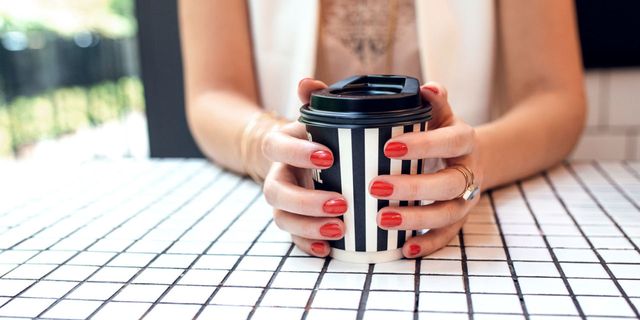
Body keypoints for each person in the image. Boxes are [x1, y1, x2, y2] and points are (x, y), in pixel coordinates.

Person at [178, 0, 586, 258]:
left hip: (464, 226)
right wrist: (270, 147)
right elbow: (212, 94)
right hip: (284, 226)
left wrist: (471, 162)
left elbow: (556, 98)